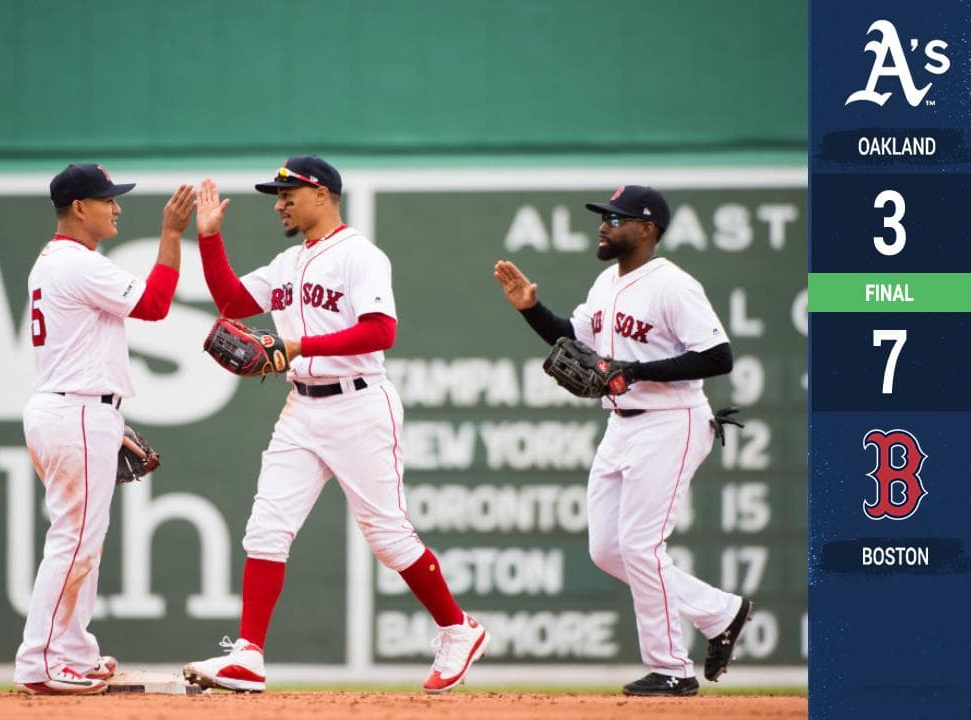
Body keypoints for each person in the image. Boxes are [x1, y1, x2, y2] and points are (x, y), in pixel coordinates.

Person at [182, 156, 486, 694]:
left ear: (321, 194)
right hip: (301, 407)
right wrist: (209, 238)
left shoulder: (360, 255)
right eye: (276, 196)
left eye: (287, 194)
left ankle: (457, 629)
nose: (278, 204)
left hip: (359, 405)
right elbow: (231, 301)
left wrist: (299, 344)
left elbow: (381, 331)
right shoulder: (286, 263)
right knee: (266, 527)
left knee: (388, 537)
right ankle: (249, 654)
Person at [493, 185, 753, 697]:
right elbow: (579, 344)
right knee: (608, 549)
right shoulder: (607, 283)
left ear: (648, 229)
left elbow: (718, 356)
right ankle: (720, 611)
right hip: (621, 425)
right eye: (605, 217)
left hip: (670, 421)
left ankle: (671, 669)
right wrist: (531, 309)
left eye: (617, 218)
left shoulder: (672, 285)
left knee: (639, 545)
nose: (605, 225)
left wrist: (634, 371)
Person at [12, 164, 193, 695]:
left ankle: (70, 650)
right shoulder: (77, 264)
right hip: (76, 412)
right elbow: (157, 306)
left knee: (83, 540)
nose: (116, 207)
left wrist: (110, 420)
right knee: (74, 540)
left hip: (77, 408)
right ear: (77, 208)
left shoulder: (58, 262)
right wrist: (171, 235)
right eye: (106, 199)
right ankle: (41, 661)